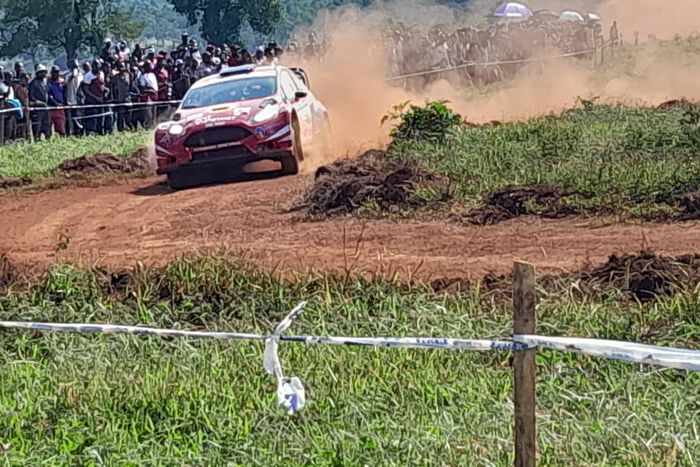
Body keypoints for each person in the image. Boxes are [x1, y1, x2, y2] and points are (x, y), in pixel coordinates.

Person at [28, 65, 51, 140]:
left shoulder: (44, 83)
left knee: (47, 127)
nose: (44, 74)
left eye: (45, 72)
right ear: (38, 73)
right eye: (42, 72)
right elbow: (32, 97)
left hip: (45, 109)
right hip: (37, 110)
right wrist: (41, 103)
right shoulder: (33, 84)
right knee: (37, 128)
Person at [111, 62, 132, 132]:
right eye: (120, 67)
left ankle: (130, 130)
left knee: (128, 119)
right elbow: (113, 89)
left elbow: (131, 86)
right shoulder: (115, 78)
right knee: (120, 118)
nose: (122, 69)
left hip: (128, 100)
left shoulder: (129, 76)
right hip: (119, 101)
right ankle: (121, 131)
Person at [64, 60, 83, 136]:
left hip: (78, 102)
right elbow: (69, 81)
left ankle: (79, 134)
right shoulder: (68, 76)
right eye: (74, 66)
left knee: (79, 120)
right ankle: (70, 135)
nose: (76, 68)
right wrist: (73, 74)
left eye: (77, 66)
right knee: (70, 121)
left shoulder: (81, 76)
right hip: (70, 102)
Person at [47, 65, 67, 136]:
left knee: (61, 127)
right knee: (49, 127)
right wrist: (54, 102)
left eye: (57, 72)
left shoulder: (62, 82)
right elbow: (48, 94)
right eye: (54, 72)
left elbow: (64, 93)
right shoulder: (48, 82)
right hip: (51, 107)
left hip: (60, 107)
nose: (56, 74)